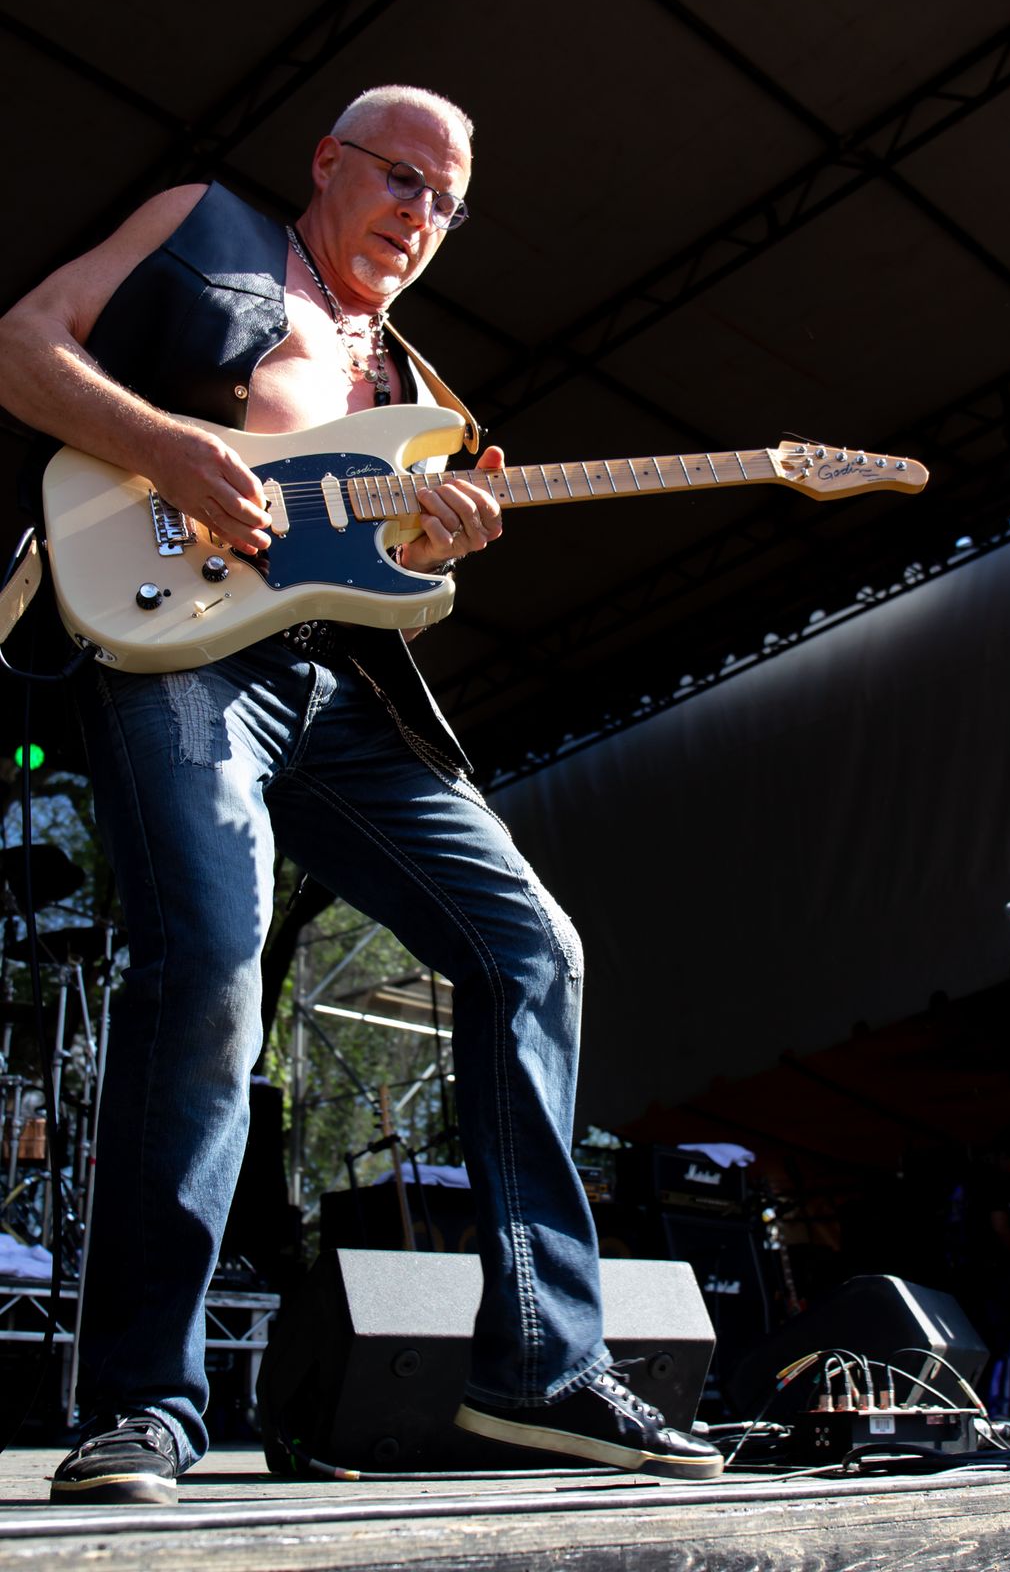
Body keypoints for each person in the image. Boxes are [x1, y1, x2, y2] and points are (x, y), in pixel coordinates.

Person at [0, 84, 722, 1503]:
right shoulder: (207, 225)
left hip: (343, 690)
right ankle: (145, 1402)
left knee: (531, 949)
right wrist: (167, 446)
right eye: (402, 179)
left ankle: (541, 1367)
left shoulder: (421, 398)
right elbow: (24, 346)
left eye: (447, 203)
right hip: (180, 649)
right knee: (209, 971)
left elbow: (390, 576)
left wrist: (437, 542)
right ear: (328, 162)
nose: (420, 215)